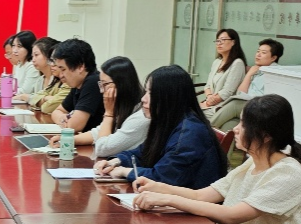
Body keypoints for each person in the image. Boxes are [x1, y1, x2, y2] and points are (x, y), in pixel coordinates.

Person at [132, 95, 301, 224]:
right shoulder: (252, 162)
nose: (236, 129)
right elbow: (201, 196)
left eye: (243, 124)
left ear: (266, 136)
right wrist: (158, 187)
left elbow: (231, 215)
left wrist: (167, 199)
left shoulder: (288, 173)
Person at [95, 65, 226, 189]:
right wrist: (116, 161)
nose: (143, 99)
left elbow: (163, 178)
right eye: (146, 92)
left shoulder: (190, 133)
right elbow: (144, 152)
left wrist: (124, 171)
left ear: (170, 97)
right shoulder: (169, 121)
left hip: (191, 203)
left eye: (151, 93)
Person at [48, 56, 147, 156]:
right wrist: (69, 140)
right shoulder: (124, 107)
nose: (102, 90)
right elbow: (97, 133)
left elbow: (103, 149)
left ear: (122, 84)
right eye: (101, 84)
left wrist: (109, 114)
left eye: (105, 84)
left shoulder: (140, 117)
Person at [210, 39, 283, 131]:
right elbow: (240, 93)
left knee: (235, 104)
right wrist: (249, 74)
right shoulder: (257, 70)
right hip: (248, 107)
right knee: (228, 125)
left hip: (262, 110)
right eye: (258, 51)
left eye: (263, 53)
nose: (258, 55)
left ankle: (204, 129)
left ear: (273, 58)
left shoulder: (277, 73)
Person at [49, 39, 105, 133]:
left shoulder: (93, 82)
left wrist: (65, 121)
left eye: (63, 69)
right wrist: (62, 118)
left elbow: (74, 126)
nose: (61, 75)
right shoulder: (78, 83)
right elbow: (56, 112)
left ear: (80, 67)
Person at [200, 29, 247, 119]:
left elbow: (227, 92)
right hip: (210, 104)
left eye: (223, 40)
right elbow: (207, 86)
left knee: (190, 114)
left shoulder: (237, 63)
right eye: (217, 40)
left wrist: (207, 103)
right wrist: (209, 97)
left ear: (233, 42)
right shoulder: (217, 62)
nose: (219, 43)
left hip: (222, 106)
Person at [26, 37, 69, 115]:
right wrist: (46, 98)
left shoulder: (68, 83)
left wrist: (44, 99)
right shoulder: (55, 82)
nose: (33, 60)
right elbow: (33, 99)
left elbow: (46, 108)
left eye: (36, 55)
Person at [9, 31, 41, 95]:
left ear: (29, 48)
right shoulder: (19, 64)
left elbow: (25, 91)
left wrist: (6, 90)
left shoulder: (32, 65)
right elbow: (14, 87)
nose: (14, 50)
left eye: (19, 46)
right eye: (13, 46)